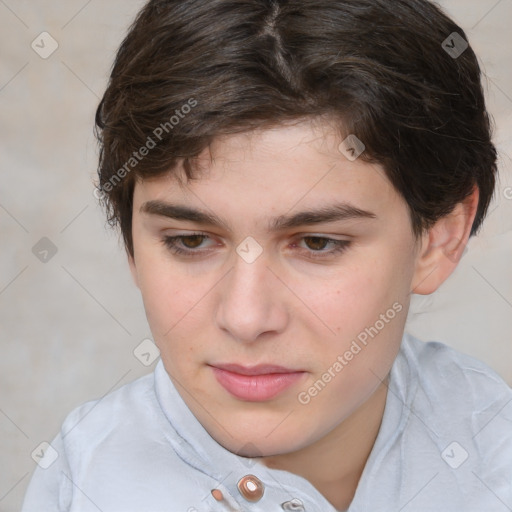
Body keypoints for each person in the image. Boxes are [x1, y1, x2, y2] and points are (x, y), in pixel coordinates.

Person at [22, 0, 512, 510]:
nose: (246, 318)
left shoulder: (495, 454)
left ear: (439, 237)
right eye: (190, 241)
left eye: (318, 243)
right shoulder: (83, 484)